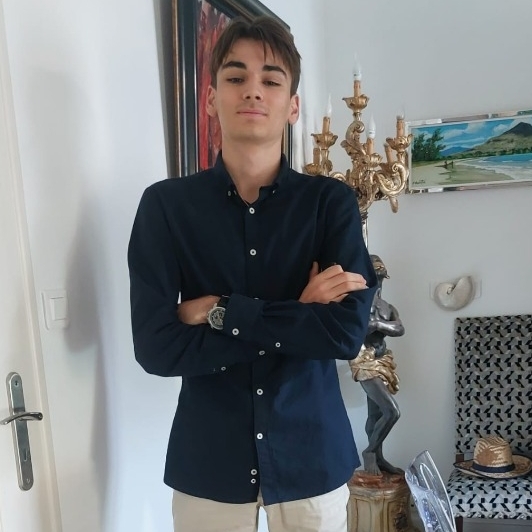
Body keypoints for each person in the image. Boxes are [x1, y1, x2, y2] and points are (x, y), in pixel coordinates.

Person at [128, 15, 377, 532]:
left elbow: (344, 334)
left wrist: (219, 311)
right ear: (211, 97)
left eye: (271, 80)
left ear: (293, 106)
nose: (253, 91)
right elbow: (156, 348)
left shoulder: (330, 204)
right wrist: (299, 314)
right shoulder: (165, 207)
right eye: (236, 76)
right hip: (209, 461)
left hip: (312, 454)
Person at [349, 254, 404, 476]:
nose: (379, 280)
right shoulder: (357, 303)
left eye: (381, 276)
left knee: (375, 415)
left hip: (383, 360)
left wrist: (379, 323)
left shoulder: (386, 306)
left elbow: (399, 328)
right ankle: (370, 451)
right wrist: (373, 326)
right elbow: (351, 330)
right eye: (375, 275)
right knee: (392, 412)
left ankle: (379, 457)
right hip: (364, 361)